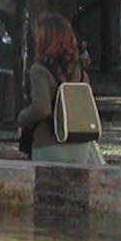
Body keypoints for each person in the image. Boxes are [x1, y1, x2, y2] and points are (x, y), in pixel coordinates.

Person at [16, 12, 87, 155]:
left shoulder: (39, 70)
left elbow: (42, 108)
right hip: (79, 141)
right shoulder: (78, 69)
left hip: (49, 141)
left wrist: (21, 118)